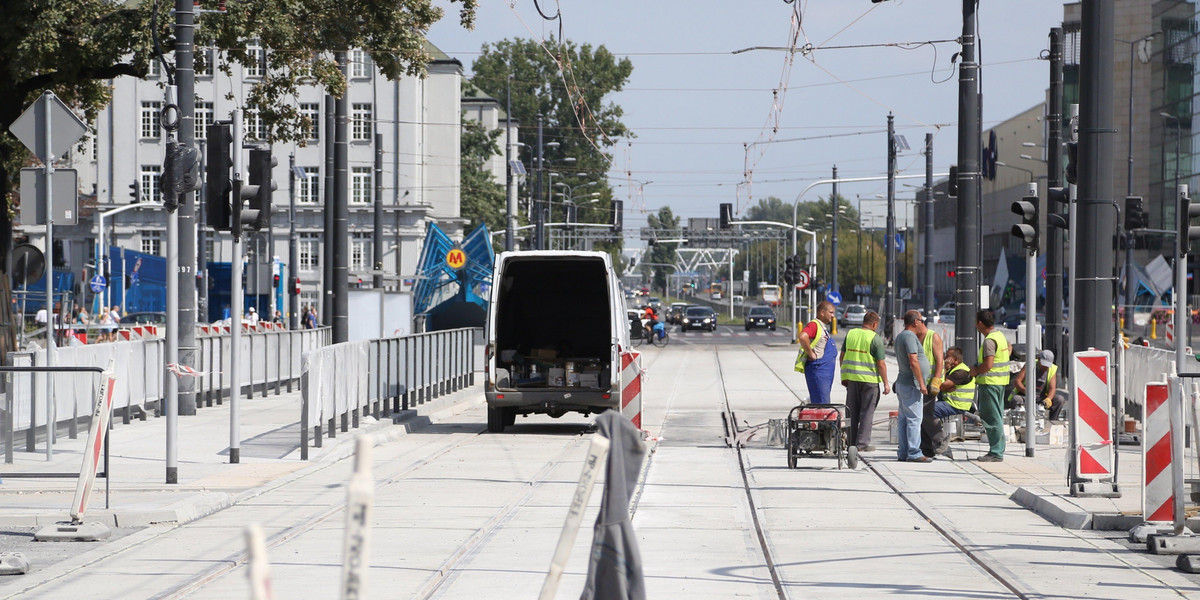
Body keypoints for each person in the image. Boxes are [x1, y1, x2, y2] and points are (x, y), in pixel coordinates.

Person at [839, 310, 889, 452]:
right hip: (869, 381)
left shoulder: (851, 334)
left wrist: (844, 376)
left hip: (852, 380)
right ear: (874, 324)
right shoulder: (875, 339)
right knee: (867, 413)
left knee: (851, 412)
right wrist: (886, 383)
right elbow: (881, 363)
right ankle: (862, 444)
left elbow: (842, 357)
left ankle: (850, 442)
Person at [968, 309, 1010, 462]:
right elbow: (1009, 348)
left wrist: (975, 370)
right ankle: (998, 449)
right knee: (997, 416)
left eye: (976, 322)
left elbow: (988, 364)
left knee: (991, 417)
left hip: (990, 383)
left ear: (980, 323)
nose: (975, 326)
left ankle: (996, 452)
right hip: (1000, 383)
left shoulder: (989, 341)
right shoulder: (999, 336)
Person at [894, 311, 931, 462]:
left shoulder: (901, 335)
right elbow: (913, 360)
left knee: (904, 419)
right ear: (916, 322)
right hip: (911, 384)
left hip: (904, 383)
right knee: (915, 419)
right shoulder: (909, 336)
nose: (923, 323)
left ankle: (903, 451)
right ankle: (914, 452)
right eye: (922, 320)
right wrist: (921, 383)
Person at [795, 301, 838, 404]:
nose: (833, 316)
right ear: (822, 313)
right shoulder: (814, 325)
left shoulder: (822, 327)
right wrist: (811, 353)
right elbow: (802, 336)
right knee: (821, 404)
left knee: (822, 403)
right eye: (831, 313)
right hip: (819, 370)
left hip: (825, 372)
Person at [919, 320, 947, 458]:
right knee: (921, 415)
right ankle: (926, 447)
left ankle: (940, 439)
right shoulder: (914, 337)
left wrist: (936, 380)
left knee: (926, 413)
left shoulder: (933, 337)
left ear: (919, 323)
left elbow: (940, 361)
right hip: (919, 383)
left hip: (930, 383)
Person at [1013, 349, 1064, 421]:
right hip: (1026, 396)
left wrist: (1048, 399)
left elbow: (1052, 388)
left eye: (1047, 365)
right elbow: (1017, 381)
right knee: (1016, 399)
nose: (1045, 367)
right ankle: (1021, 421)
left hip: (1041, 397)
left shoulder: (1052, 369)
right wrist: (1025, 391)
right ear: (1039, 358)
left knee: (1059, 399)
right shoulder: (1030, 365)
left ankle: (1053, 421)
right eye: (1043, 364)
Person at [935, 347, 976, 421]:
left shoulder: (960, 372)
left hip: (955, 405)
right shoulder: (953, 369)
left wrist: (945, 369)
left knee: (928, 411)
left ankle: (937, 432)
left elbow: (941, 386)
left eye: (948, 356)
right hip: (949, 402)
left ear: (956, 359)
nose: (945, 358)